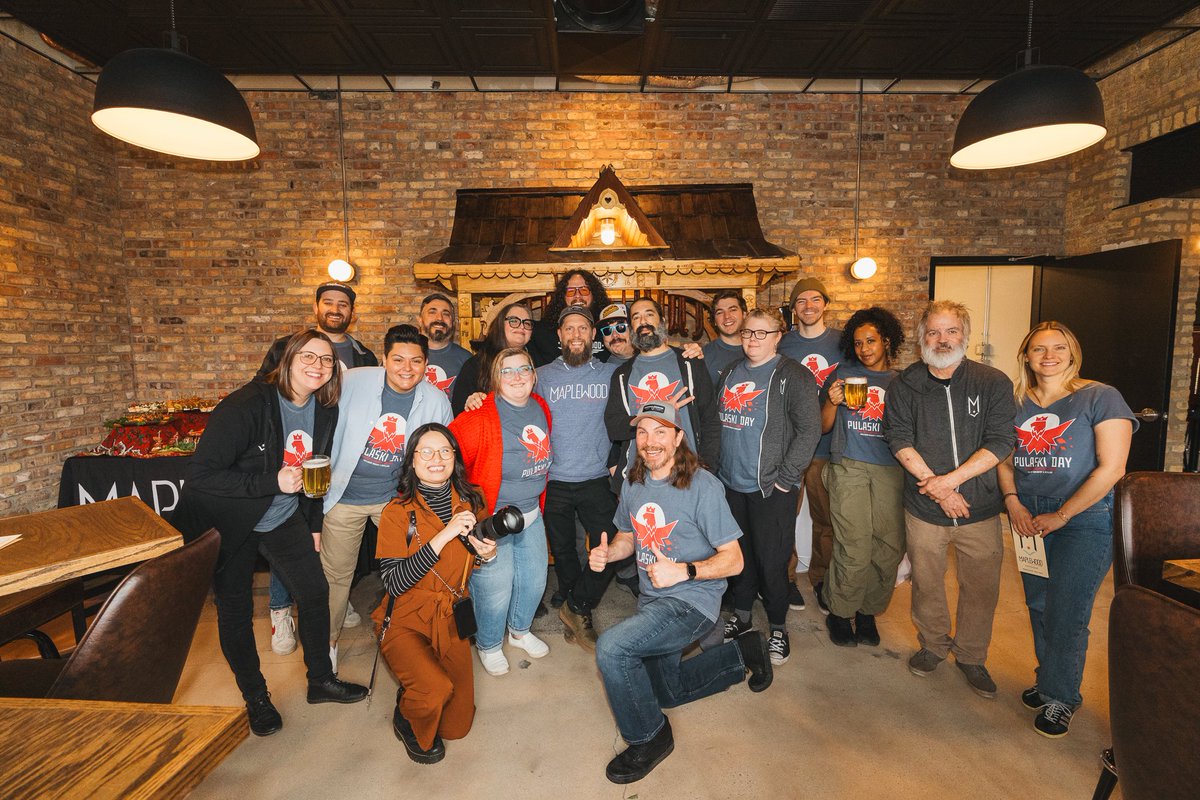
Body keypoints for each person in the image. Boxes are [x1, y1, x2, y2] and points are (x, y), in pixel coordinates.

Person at [174, 330, 367, 737]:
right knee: (236, 611)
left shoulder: (323, 408)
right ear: (286, 361)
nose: (318, 365)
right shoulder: (245, 406)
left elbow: (316, 468)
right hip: (229, 522)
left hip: (282, 517)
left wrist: (313, 523)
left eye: (327, 360)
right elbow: (200, 478)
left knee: (314, 592)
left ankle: (320, 681)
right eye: (308, 357)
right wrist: (271, 482)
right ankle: (256, 698)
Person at [591, 401, 772, 785]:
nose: (650, 440)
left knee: (612, 648)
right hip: (652, 600)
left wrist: (685, 570)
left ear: (677, 438)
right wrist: (610, 553)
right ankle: (744, 652)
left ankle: (650, 739)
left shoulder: (702, 486)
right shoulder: (633, 482)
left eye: (660, 432)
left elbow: (735, 560)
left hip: (693, 601)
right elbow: (627, 536)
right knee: (667, 693)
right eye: (642, 432)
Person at [997, 321, 1136, 737]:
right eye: (1039, 349)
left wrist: (1063, 515)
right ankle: (1049, 682)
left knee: (1067, 611)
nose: (1049, 355)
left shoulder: (1100, 396)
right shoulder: (1015, 402)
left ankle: (1062, 698)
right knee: (1039, 604)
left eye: (1059, 348)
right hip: (1028, 513)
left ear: (1072, 353)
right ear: (1026, 355)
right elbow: (1002, 458)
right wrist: (1014, 503)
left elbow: (1113, 468)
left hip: (1083, 519)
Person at [883, 300, 1016, 699]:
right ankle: (933, 645)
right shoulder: (905, 384)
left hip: (980, 507)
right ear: (922, 338)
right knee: (926, 582)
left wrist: (951, 484)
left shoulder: (992, 382)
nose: (942, 340)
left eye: (951, 331)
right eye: (934, 332)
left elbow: (1001, 441)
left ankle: (972, 655)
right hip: (924, 508)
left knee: (981, 585)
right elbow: (899, 439)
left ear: (965, 335)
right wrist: (937, 488)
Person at [255, 281, 378, 654]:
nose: (336, 309)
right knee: (286, 531)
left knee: (322, 538)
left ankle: (329, 606)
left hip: (334, 455)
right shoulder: (287, 346)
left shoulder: (363, 354)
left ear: (352, 312)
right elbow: (264, 394)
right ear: (317, 307)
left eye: (344, 304)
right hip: (291, 454)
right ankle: (280, 613)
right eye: (329, 303)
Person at [321, 325, 452, 669]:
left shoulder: (436, 400)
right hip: (344, 496)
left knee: (416, 567)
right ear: (384, 358)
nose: (406, 368)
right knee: (335, 576)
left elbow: (442, 450)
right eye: (398, 359)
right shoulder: (353, 381)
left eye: (416, 361)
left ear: (426, 363)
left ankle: (415, 634)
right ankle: (328, 644)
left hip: (395, 499)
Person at [373, 423, 497, 764]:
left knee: (457, 726)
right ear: (412, 461)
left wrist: (487, 554)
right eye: (425, 451)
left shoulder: (472, 500)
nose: (436, 458)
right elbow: (395, 583)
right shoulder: (395, 514)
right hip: (405, 619)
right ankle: (406, 712)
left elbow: (477, 554)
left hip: (450, 615)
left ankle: (418, 686)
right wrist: (444, 535)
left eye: (444, 450)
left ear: (454, 458)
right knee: (435, 690)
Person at [716, 308, 820, 666]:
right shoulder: (731, 371)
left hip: (770, 488)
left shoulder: (793, 376)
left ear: (778, 336)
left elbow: (810, 431)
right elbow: (717, 423)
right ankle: (742, 617)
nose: (752, 340)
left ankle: (778, 629)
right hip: (731, 485)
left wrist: (786, 479)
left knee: (772, 562)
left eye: (762, 333)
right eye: (748, 333)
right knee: (738, 558)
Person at [449, 347, 553, 676]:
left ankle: (520, 631)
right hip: (493, 520)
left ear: (534, 376)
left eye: (524, 369)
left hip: (532, 513)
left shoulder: (541, 407)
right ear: (496, 379)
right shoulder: (479, 416)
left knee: (535, 580)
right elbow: (445, 453)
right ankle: (490, 643)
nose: (517, 376)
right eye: (507, 371)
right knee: (495, 587)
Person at [820, 307, 907, 647]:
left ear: (887, 340)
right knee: (853, 545)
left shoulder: (902, 381)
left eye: (871, 341)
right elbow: (824, 426)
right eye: (858, 343)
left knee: (888, 546)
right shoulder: (842, 374)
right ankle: (841, 612)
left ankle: (868, 611)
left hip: (891, 469)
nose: (865, 349)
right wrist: (831, 402)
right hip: (849, 466)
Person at [537, 305, 620, 651]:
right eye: (569, 329)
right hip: (552, 478)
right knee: (564, 550)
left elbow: (650, 360)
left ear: (592, 335)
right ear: (559, 336)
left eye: (583, 329)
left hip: (595, 476)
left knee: (614, 548)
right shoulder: (539, 375)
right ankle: (575, 603)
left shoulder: (611, 373)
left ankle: (576, 605)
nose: (575, 335)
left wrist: (687, 352)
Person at [605, 297, 720, 490]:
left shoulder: (690, 363)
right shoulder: (622, 374)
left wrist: (706, 468)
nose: (643, 322)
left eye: (649, 314)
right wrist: (661, 412)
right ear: (632, 328)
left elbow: (710, 421)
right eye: (636, 317)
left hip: (687, 475)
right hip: (640, 478)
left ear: (663, 322)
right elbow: (614, 427)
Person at [778, 277, 842, 613]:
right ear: (793, 308)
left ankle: (820, 579)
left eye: (814, 299)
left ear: (825, 303)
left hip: (827, 446)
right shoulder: (783, 344)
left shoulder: (843, 343)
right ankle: (786, 579)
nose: (808, 306)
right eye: (800, 301)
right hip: (789, 445)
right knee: (785, 515)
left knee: (826, 519)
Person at [450, 302, 533, 414]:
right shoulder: (476, 365)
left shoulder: (538, 362)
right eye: (513, 321)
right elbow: (460, 411)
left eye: (527, 323)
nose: (522, 326)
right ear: (500, 325)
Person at [528, 269, 611, 366]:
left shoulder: (607, 328)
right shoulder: (543, 331)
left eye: (584, 290)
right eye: (570, 291)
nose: (577, 296)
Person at [418, 293, 472, 399]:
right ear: (420, 320)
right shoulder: (403, 357)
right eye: (432, 312)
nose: (439, 318)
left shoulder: (467, 360)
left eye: (446, 314)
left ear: (453, 322)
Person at [702, 290, 747, 385]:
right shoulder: (704, 356)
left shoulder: (758, 350)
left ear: (744, 314)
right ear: (714, 321)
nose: (727, 316)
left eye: (733, 309)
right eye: (720, 312)